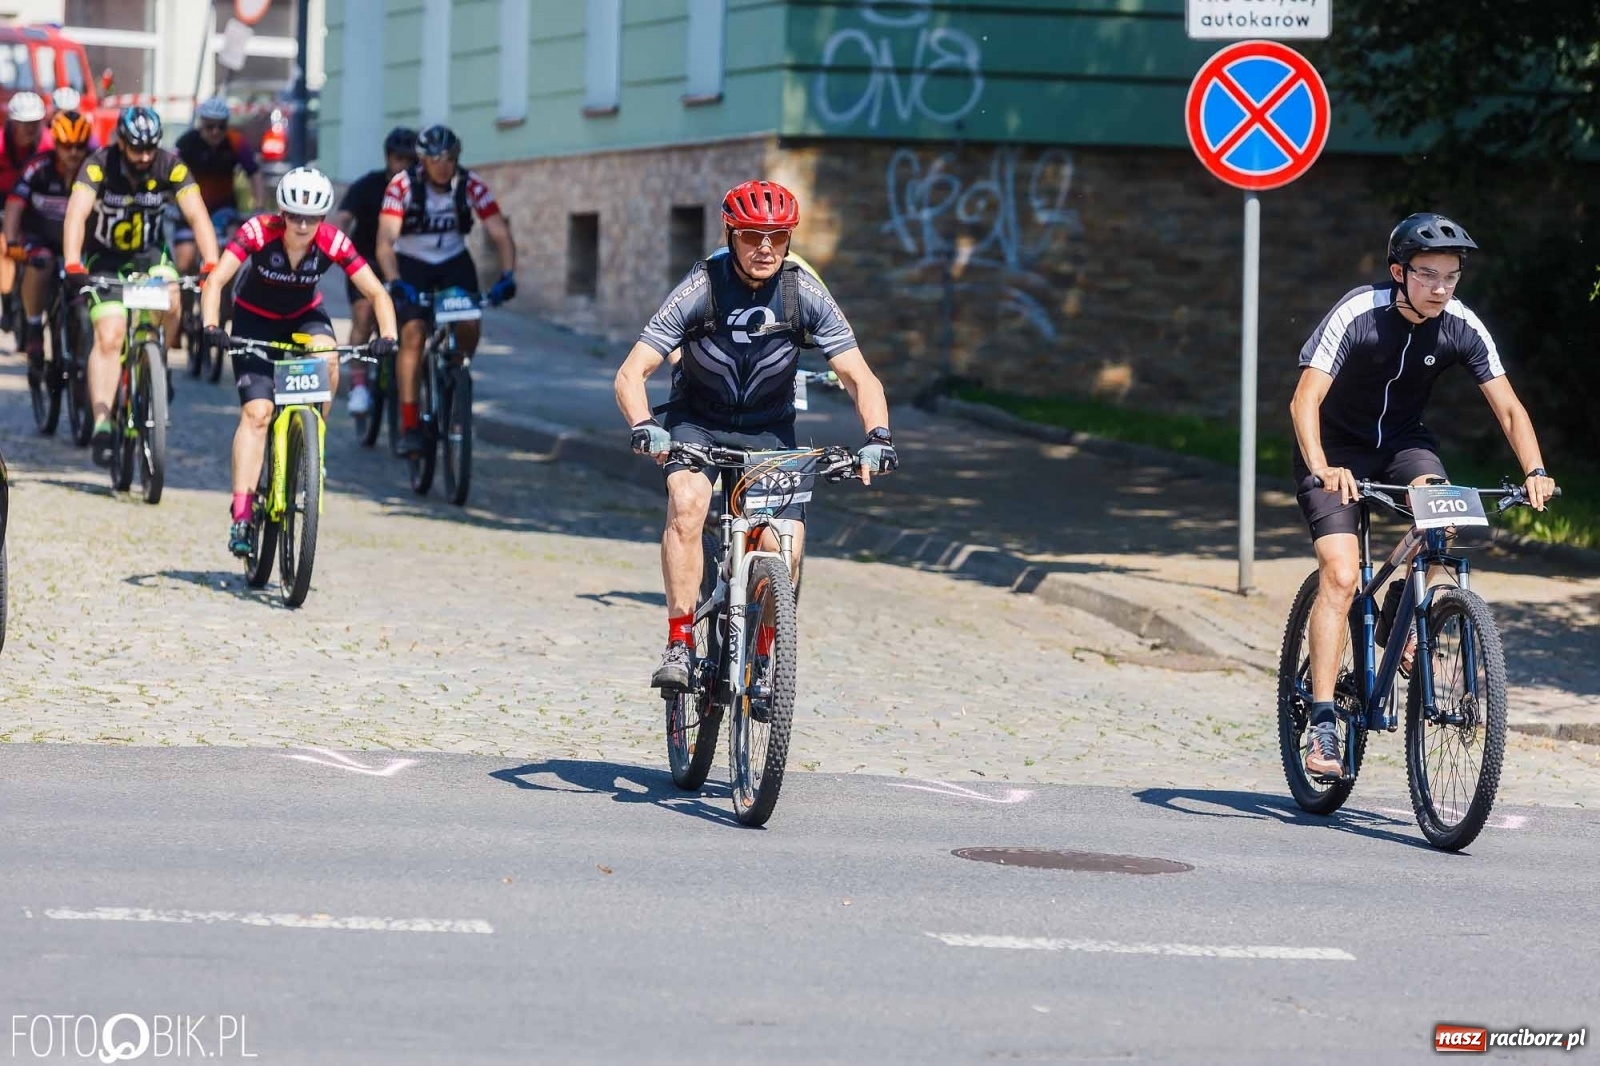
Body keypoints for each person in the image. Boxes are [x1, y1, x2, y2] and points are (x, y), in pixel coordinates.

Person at [1288, 213, 1559, 777]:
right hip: (1334, 448)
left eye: (1451, 276)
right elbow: (1304, 401)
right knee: (1340, 575)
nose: (1440, 288)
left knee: (1445, 513)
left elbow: (1508, 407)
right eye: (1428, 274)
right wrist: (1321, 468)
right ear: (1398, 272)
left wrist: (1534, 468)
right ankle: (1320, 725)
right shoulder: (1358, 313)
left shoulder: (1460, 324)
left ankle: (1411, 622)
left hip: (1403, 447)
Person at [613, 179, 897, 691]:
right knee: (688, 503)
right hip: (695, 419)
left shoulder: (801, 292)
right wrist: (645, 427)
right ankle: (680, 639)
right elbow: (631, 373)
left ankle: (765, 655)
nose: (765, 247)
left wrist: (878, 435)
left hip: (768, 429)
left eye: (777, 236)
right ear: (730, 233)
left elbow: (860, 376)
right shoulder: (702, 286)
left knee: (783, 539)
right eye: (750, 235)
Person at [200, 167, 398, 557]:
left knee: (327, 357)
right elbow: (217, 279)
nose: (302, 224)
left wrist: (388, 335)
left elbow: (376, 292)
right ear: (282, 213)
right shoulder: (258, 231)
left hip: (304, 316)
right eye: (294, 215)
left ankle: (312, 444)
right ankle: (241, 513)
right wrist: (210, 324)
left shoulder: (332, 241)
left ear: (322, 218)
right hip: (254, 318)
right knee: (257, 413)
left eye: (311, 217)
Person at [61, 106, 220, 467]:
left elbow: (197, 214)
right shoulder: (98, 165)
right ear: (121, 142)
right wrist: (72, 261)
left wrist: (211, 261)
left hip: (150, 258)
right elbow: (77, 213)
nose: (145, 156)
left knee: (173, 296)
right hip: (107, 263)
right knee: (110, 335)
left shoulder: (170, 165)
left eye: (151, 148)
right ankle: (102, 422)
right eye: (137, 149)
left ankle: (156, 364)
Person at [374, 123, 517, 457]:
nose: (443, 166)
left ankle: (457, 376)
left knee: (470, 323)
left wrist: (507, 275)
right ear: (422, 160)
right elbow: (385, 243)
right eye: (436, 159)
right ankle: (409, 423)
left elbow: (499, 233)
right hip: (412, 262)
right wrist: (395, 281)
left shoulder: (470, 185)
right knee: (412, 333)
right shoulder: (402, 186)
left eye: (450, 159)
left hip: (453, 260)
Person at [2, 109, 93, 385]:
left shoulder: (93, 170)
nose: (74, 154)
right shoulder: (37, 168)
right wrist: (12, 241)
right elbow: (15, 205)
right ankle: (32, 327)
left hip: (78, 242)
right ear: (55, 143)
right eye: (67, 147)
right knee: (40, 264)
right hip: (41, 236)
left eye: (80, 147)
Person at [332, 125, 414, 421]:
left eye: (409, 159)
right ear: (388, 158)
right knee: (364, 315)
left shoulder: (419, 188)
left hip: (404, 265)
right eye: (398, 158)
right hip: (364, 262)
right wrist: (337, 250)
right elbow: (343, 217)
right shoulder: (367, 185)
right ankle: (357, 385)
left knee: (412, 323)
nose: (403, 165)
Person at [171, 97, 263, 275]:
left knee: (224, 264)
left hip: (222, 208)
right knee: (184, 262)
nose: (215, 132)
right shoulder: (186, 143)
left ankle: (223, 299)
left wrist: (258, 206)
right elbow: (168, 173)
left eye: (221, 127)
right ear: (201, 124)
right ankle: (187, 300)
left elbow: (254, 173)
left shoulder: (236, 141)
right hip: (189, 210)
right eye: (210, 127)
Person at [0, 91, 51, 335]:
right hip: (4, 200)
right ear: (13, 123)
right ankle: (8, 300)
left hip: (36, 201)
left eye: (35, 124)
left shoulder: (49, 143)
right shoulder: (1, 144)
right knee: (4, 248)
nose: (31, 130)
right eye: (25, 125)